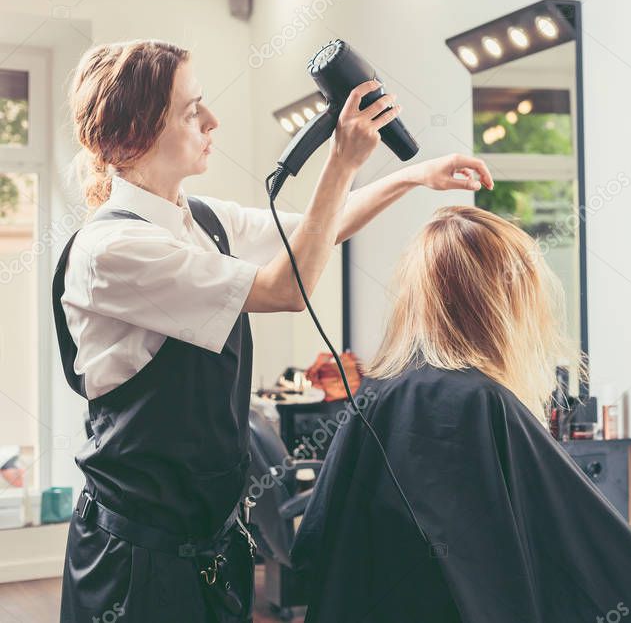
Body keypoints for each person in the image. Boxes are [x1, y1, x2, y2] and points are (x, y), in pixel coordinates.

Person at [53, 39, 493, 623]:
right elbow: (287, 289)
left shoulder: (201, 220)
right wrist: (340, 160)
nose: (212, 121)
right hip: (135, 563)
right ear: (136, 132)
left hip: (212, 548)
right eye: (191, 111)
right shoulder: (114, 250)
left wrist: (412, 177)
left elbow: (318, 227)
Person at [291, 206, 631, 623]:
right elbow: (588, 561)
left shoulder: (375, 395)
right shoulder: (482, 403)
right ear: (503, 301)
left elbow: (312, 547)